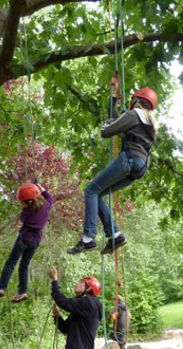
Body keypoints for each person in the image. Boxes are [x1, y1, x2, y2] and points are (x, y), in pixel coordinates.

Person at [68, 73, 157, 255]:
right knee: (98, 194)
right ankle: (115, 235)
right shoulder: (149, 122)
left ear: (137, 100)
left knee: (91, 190)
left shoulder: (135, 114)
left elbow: (108, 131)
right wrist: (113, 94)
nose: (130, 103)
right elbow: (117, 118)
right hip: (140, 167)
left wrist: (106, 126)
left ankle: (88, 238)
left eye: (133, 100)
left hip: (130, 158)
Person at [0, 182, 54, 303]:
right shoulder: (46, 206)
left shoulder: (26, 213)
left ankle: (1, 288)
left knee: (10, 263)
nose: (22, 204)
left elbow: (22, 218)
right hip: (35, 241)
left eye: (22, 202)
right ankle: (22, 291)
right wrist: (39, 187)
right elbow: (49, 197)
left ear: (28, 202)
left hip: (24, 239)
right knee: (24, 266)